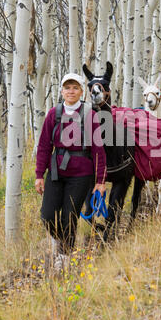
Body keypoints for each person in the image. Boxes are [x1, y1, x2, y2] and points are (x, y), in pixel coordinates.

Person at [35, 73, 106, 272]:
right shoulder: (54, 114)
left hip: (81, 174)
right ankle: (60, 241)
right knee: (47, 215)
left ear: (81, 91)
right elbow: (43, 146)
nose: (71, 91)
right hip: (56, 172)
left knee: (69, 216)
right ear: (62, 91)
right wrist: (39, 175)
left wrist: (100, 181)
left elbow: (98, 150)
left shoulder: (89, 114)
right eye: (67, 87)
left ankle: (64, 257)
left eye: (75, 88)